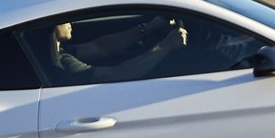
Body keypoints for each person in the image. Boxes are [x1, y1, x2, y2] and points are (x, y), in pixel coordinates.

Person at [48, 15, 187, 84]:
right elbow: (118, 74)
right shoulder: (60, 62)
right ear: (50, 26)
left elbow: (100, 47)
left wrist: (148, 28)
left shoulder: (58, 50)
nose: (70, 22)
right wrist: (166, 45)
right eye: (63, 18)